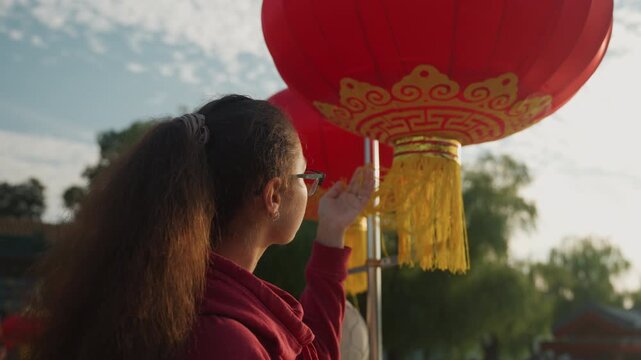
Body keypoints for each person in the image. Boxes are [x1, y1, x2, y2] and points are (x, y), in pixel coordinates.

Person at [28, 95, 374, 360]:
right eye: (304, 176)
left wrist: (331, 231)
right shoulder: (224, 338)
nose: (311, 187)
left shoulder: (184, 298)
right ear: (273, 195)